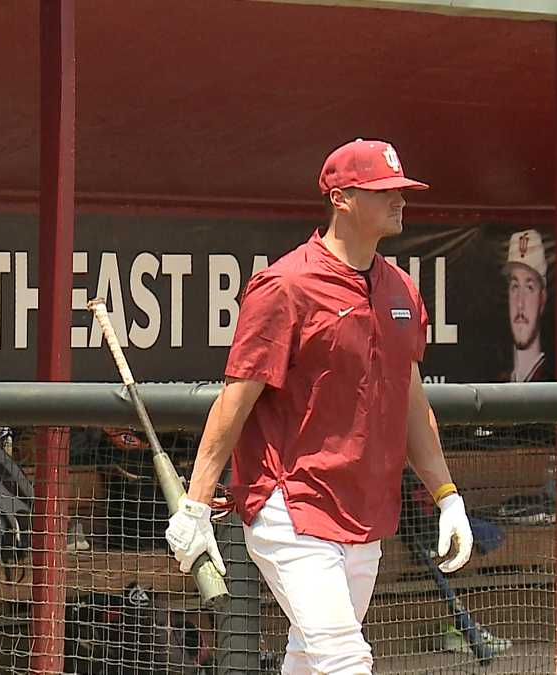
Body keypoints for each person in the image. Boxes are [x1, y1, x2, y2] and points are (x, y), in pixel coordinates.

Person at [165, 139, 473, 674]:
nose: (399, 199)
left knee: (310, 660)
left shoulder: (401, 289)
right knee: (345, 661)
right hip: (291, 505)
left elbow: (411, 401)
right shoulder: (285, 285)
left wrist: (447, 495)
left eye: (401, 189)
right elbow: (234, 402)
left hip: (365, 511)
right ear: (341, 198)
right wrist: (195, 505)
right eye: (383, 191)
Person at [504, 228, 552, 382]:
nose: (520, 303)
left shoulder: (551, 381)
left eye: (529, 287)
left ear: (542, 298)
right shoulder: (504, 380)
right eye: (515, 286)